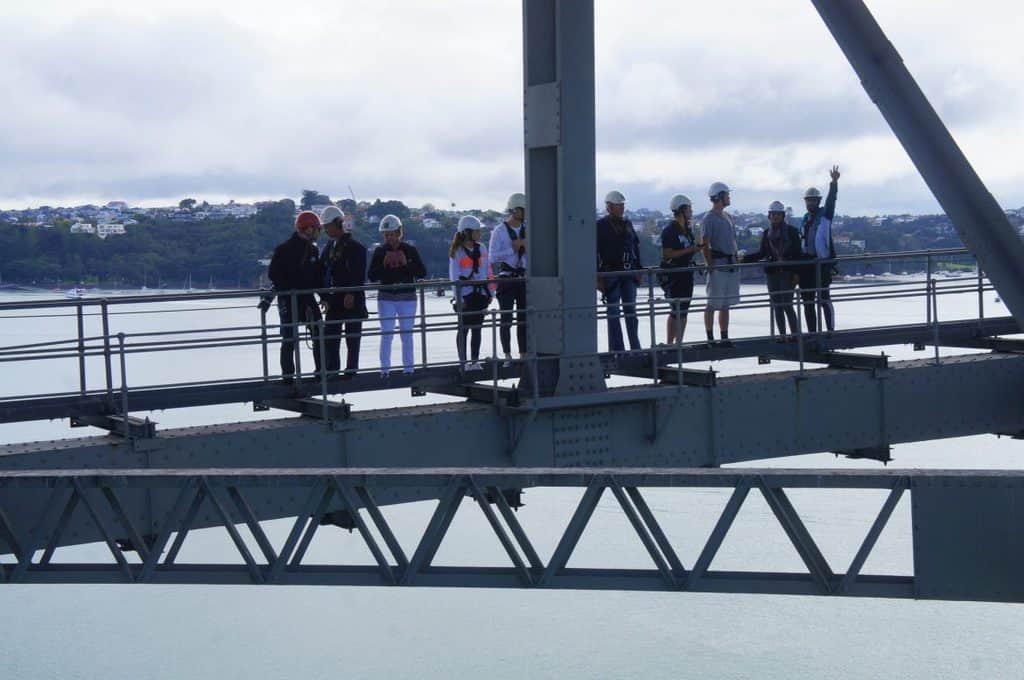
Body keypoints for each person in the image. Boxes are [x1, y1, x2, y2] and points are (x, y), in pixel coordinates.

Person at [259, 210, 324, 384]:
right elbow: (315, 279)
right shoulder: (306, 250)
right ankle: (320, 372)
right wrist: (323, 296)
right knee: (317, 333)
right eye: (317, 229)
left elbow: (274, 274)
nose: (319, 233)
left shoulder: (287, 249)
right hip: (300, 297)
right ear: (309, 229)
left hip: (289, 298)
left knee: (289, 337)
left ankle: (288, 376)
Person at [367, 214, 427, 377]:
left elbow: (422, 272)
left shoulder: (410, 250)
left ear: (399, 232)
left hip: (407, 297)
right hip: (386, 297)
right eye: (386, 235)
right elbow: (371, 275)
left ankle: (408, 369)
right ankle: (384, 370)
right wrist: (384, 264)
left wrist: (406, 263)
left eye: (392, 234)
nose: (389, 238)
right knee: (387, 333)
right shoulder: (380, 251)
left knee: (406, 334)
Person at [742, 201, 802, 341]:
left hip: (787, 273)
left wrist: (797, 273)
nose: (775, 216)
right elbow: (761, 253)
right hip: (772, 273)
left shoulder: (792, 232)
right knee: (777, 305)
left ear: (783, 215)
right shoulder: (767, 233)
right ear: (769, 216)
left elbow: (798, 254)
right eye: (773, 214)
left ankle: (795, 334)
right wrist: (744, 259)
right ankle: (782, 335)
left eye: (778, 214)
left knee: (787, 304)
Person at [319, 205, 368, 377]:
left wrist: (352, 293)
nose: (325, 229)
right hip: (334, 298)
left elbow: (358, 273)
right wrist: (324, 296)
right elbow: (322, 272)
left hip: (350, 299)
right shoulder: (329, 247)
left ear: (336, 224)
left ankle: (351, 370)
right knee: (331, 336)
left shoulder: (355, 247)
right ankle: (332, 370)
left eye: (327, 226)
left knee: (352, 337)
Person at [596, 190, 642, 352]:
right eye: (618, 205)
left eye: (622, 205)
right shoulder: (600, 226)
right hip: (611, 272)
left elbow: (635, 247)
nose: (622, 208)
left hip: (628, 272)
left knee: (631, 311)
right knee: (613, 311)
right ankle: (617, 349)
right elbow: (594, 252)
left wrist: (639, 270)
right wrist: (598, 277)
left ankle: (635, 347)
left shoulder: (627, 224)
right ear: (609, 207)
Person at [798, 166, 841, 334]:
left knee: (824, 298)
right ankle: (812, 333)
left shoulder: (825, 215)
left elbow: (832, 201)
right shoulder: (804, 219)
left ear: (818, 201)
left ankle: (830, 330)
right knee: (807, 300)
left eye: (813, 200)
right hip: (807, 264)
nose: (810, 203)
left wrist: (834, 183)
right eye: (808, 200)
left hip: (822, 263)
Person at [449, 215, 493, 371]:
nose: (479, 234)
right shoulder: (457, 251)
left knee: (477, 328)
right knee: (463, 329)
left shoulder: (481, 248)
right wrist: (459, 298)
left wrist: (491, 293)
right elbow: (454, 277)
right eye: (477, 231)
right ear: (467, 232)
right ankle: (463, 362)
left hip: (480, 294)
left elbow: (488, 270)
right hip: (466, 296)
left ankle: (475, 361)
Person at [489, 192, 528, 365]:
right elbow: (492, 257)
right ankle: (507, 355)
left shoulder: (528, 229)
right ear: (515, 210)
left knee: (524, 318)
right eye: (524, 210)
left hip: (523, 278)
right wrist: (513, 249)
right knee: (506, 318)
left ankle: (524, 353)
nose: (526, 213)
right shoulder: (499, 231)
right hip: (506, 278)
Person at [660, 194, 704, 345]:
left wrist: (697, 249)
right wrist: (689, 250)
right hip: (673, 275)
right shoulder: (670, 230)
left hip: (686, 274)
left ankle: (679, 342)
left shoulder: (687, 230)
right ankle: (669, 343)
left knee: (684, 310)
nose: (691, 211)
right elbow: (668, 253)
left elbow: (688, 250)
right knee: (675, 310)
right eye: (689, 208)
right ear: (682, 209)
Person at [701, 182, 741, 347]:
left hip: (730, 265)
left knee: (725, 304)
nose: (729, 197)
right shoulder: (709, 218)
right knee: (712, 303)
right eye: (726, 194)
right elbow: (705, 243)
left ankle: (724, 337)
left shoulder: (728, 217)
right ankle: (710, 338)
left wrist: (736, 258)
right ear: (719, 196)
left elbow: (732, 241)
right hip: (718, 266)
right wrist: (710, 265)